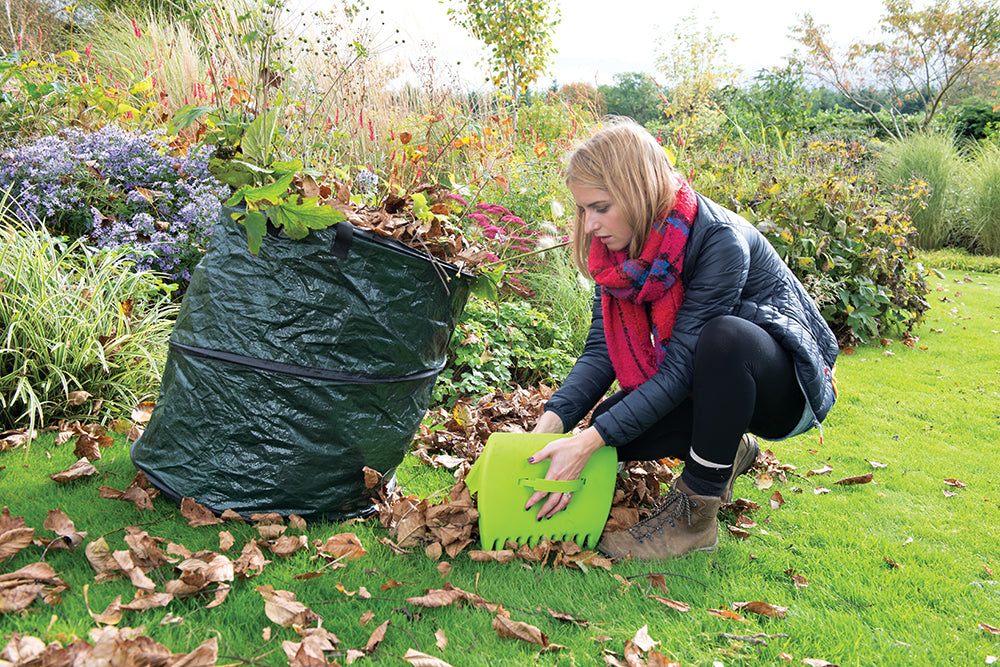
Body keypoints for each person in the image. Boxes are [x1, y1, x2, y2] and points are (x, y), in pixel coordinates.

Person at [524, 118, 839, 560]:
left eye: (600, 207)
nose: (590, 224)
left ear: (637, 191)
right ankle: (728, 447)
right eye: (582, 210)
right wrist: (550, 426)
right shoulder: (619, 256)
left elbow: (681, 369)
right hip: (716, 384)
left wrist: (588, 441)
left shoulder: (718, 241)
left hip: (785, 389)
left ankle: (695, 519)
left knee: (722, 338)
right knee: (615, 426)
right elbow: (600, 352)